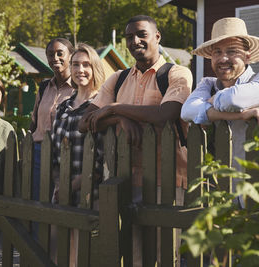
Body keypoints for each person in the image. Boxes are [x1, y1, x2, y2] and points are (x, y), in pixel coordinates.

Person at [78, 15, 192, 267]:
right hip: (126, 179)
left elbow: (165, 115)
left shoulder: (176, 74)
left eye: (142, 34)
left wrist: (114, 108)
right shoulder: (118, 78)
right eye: (129, 37)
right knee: (133, 255)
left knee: (165, 256)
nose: (135, 41)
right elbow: (84, 122)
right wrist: (119, 120)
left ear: (157, 37)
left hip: (168, 179)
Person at [181, 17, 259, 206]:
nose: (223, 59)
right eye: (217, 52)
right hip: (230, 194)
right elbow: (187, 111)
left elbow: (233, 99)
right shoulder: (208, 84)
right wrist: (240, 115)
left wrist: (210, 103)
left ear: (247, 56)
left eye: (232, 51)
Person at [50, 43, 104, 267]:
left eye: (86, 65)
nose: (80, 69)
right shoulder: (63, 107)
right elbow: (53, 151)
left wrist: (72, 185)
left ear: (95, 69)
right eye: (75, 64)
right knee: (60, 255)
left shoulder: (101, 105)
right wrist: (58, 184)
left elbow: (103, 158)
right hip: (60, 191)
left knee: (85, 256)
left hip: (89, 192)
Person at [30, 38, 75, 201]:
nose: (55, 58)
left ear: (71, 56)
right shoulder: (43, 87)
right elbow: (34, 121)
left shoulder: (79, 88)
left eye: (60, 53)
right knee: (37, 199)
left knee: (60, 201)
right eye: (50, 55)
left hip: (65, 153)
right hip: (38, 153)